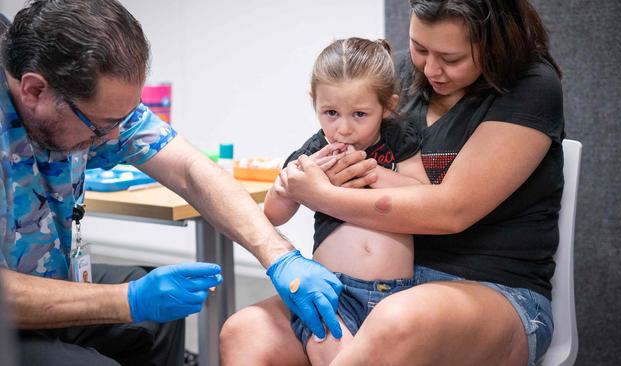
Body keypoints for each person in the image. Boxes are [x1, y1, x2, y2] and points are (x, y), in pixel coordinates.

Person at [220, 0, 564, 365]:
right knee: (245, 331)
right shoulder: (394, 73)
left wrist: (324, 194)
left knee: (395, 320)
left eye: (451, 58)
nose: (430, 68)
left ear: (494, 43)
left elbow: (451, 211)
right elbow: (316, 156)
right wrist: (298, 188)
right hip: (364, 285)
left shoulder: (531, 85)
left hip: (490, 287)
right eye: (419, 48)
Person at [0, 1, 344, 365]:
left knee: (156, 318)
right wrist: (127, 301)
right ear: (35, 91)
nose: (115, 135)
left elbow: (191, 170)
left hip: (45, 274)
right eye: (102, 125)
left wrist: (280, 257)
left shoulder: (84, 104)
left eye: (124, 119)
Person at [264, 37, 430, 365]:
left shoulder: (399, 139)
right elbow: (274, 214)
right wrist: (285, 188)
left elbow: (422, 192)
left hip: (398, 293)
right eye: (330, 113)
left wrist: (368, 171)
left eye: (359, 114)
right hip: (332, 291)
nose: (343, 128)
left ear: (388, 106)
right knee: (329, 349)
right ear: (315, 103)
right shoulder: (313, 152)